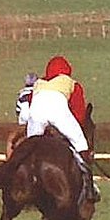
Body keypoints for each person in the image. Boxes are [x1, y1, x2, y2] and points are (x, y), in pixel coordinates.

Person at [27, 56, 98, 202]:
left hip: (36, 114)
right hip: (58, 112)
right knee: (81, 144)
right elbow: (79, 113)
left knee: (29, 149)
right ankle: (89, 188)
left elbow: (30, 103)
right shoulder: (72, 84)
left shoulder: (38, 84)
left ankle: (26, 182)